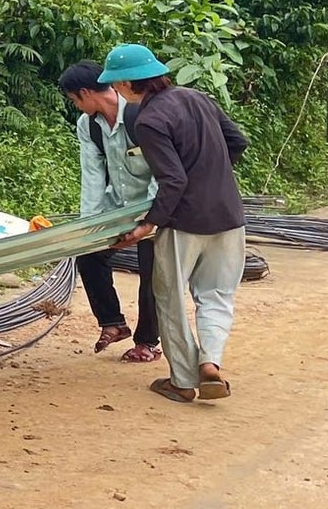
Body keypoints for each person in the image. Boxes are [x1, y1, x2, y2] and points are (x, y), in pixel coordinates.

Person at [105, 43, 250, 404]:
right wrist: (211, 174)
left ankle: (183, 380)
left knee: (169, 298)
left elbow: (173, 182)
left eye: (117, 85)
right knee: (217, 295)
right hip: (229, 217)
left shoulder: (150, 120)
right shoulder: (196, 97)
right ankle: (211, 363)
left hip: (183, 223)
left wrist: (147, 226)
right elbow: (238, 141)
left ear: (126, 85)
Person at [58, 61, 161, 364]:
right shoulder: (88, 125)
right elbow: (92, 176)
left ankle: (147, 343)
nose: (76, 106)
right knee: (90, 256)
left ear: (87, 92)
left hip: (157, 205)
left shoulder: (140, 114)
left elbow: (162, 168)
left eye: (75, 99)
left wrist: (151, 217)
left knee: (152, 272)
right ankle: (113, 323)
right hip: (119, 204)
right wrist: (88, 227)